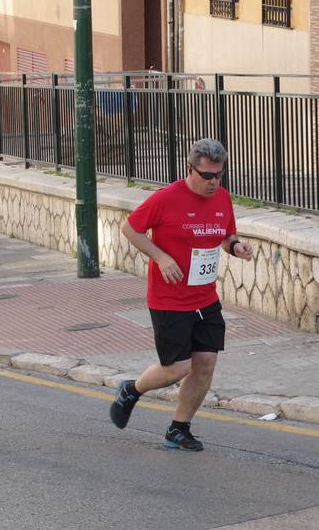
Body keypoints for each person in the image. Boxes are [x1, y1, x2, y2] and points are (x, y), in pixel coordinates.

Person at [108, 139, 252, 452]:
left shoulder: (222, 198)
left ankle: (179, 428)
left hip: (205, 297)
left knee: (204, 365)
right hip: (169, 299)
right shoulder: (166, 198)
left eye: (219, 175)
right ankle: (131, 389)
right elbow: (130, 228)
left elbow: (225, 235)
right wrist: (160, 257)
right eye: (207, 175)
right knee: (177, 368)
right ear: (190, 169)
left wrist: (236, 247)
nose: (214, 182)